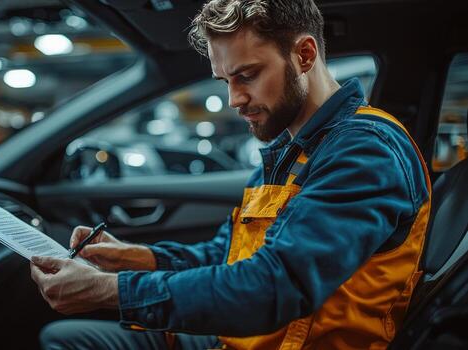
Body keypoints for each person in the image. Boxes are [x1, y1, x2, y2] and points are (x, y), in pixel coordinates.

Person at [29, 0, 431, 348]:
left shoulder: (364, 151)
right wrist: (138, 259)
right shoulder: (290, 151)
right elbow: (226, 256)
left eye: (247, 75)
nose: (234, 99)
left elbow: (271, 289)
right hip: (243, 338)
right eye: (225, 80)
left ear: (305, 55)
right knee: (64, 338)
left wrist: (109, 290)